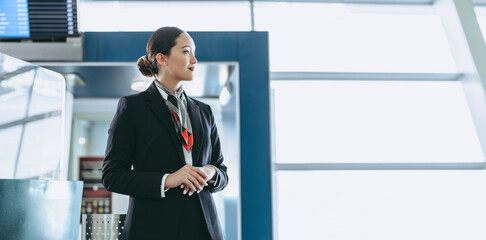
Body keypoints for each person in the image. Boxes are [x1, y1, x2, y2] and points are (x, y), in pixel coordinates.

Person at [102, 26, 228, 240]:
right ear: (162, 58)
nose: (195, 61)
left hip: (204, 229)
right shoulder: (132, 108)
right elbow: (112, 176)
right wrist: (168, 179)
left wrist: (211, 172)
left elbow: (222, 171)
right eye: (187, 52)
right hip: (152, 229)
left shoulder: (204, 111)